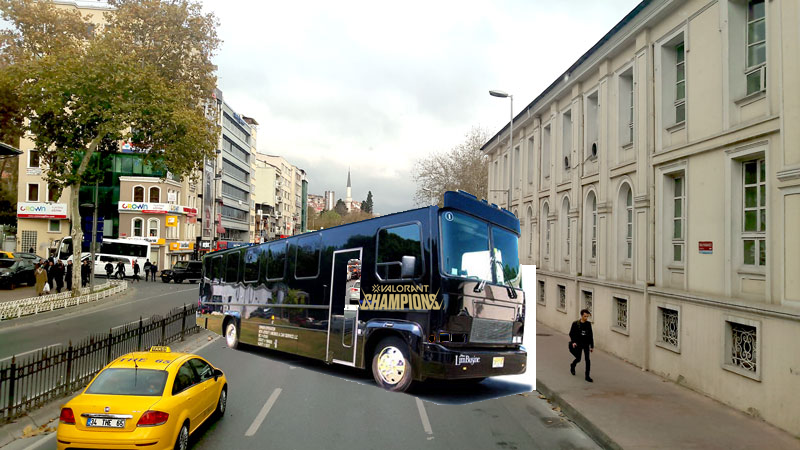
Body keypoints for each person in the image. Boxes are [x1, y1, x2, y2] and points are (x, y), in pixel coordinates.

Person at [569, 309, 594, 382]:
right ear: (581, 316)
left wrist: (592, 346)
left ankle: (587, 376)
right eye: (585, 316)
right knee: (578, 359)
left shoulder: (588, 324)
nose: (586, 318)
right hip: (578, 343)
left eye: (587, 316)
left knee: (587, 360)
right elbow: (571, 333)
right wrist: (573, 342)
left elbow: (591, 336)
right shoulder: (575, 323)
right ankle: (572, 365)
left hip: (586, 344)